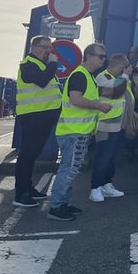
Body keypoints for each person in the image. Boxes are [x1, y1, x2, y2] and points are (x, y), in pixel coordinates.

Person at [48, 43, 112, 221]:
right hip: (73, 132)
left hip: (77, 131)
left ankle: (64, 203)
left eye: (104, 56)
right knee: (68, 169)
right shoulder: (80, 75)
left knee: (71, 169)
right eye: (100, 56)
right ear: (89, 56)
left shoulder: (87, 76)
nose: (103, 59)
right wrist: (98, 105)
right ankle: (56, 207)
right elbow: (75, 99)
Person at [13, 35, 61, 208]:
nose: (49, 50)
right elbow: (41, 81)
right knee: (27, 155)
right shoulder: (28, 64)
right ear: (34, 47)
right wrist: (54, 65)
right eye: (45, 47)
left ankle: (29, 187)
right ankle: (21, 194)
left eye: (50, 47)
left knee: (33, 154)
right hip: (32, 117)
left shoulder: (42, 65)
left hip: (42, 118)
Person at [89, 53, 130, 203]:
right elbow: (116, 90)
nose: (124, 70)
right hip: (105, 125)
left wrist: (134, 78)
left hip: (117, 126)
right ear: (117, 66)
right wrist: (125, 76)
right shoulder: (102, 77)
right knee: (103, 157)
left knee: (111, 158)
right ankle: (95, 188)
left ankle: (106, 184)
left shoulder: (118, 78)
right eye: (123, 68)